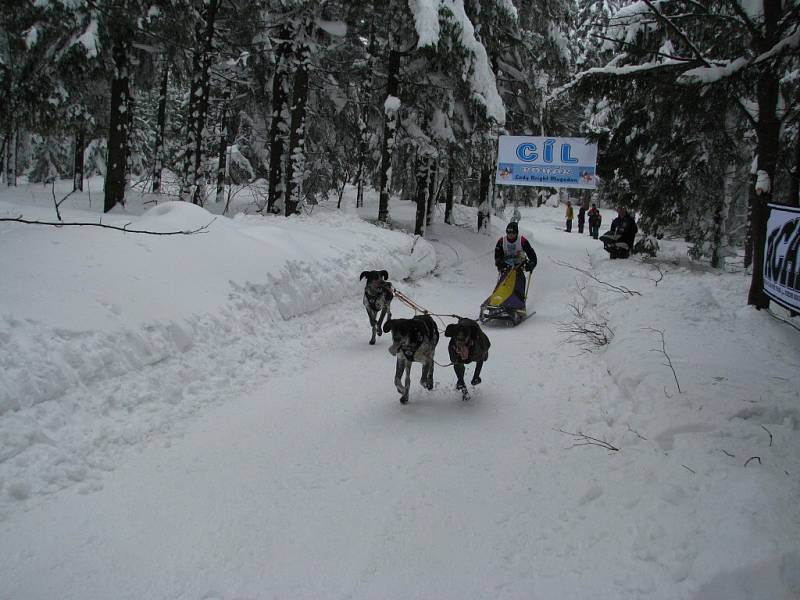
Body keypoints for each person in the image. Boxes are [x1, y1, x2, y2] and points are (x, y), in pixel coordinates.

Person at [494, 221, 538, 309]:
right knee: (503, 282)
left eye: (513, 232)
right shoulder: (502, 241)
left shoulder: (522, 241)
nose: (510, 234)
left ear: (516, 233)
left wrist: (532, 263)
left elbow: (532, 255)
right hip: (506, 266)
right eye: (508, 232)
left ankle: (519, 304)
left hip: (519, 265)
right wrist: (499, 262)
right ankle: (496, 301)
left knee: (519, 282)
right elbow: (497, 255)